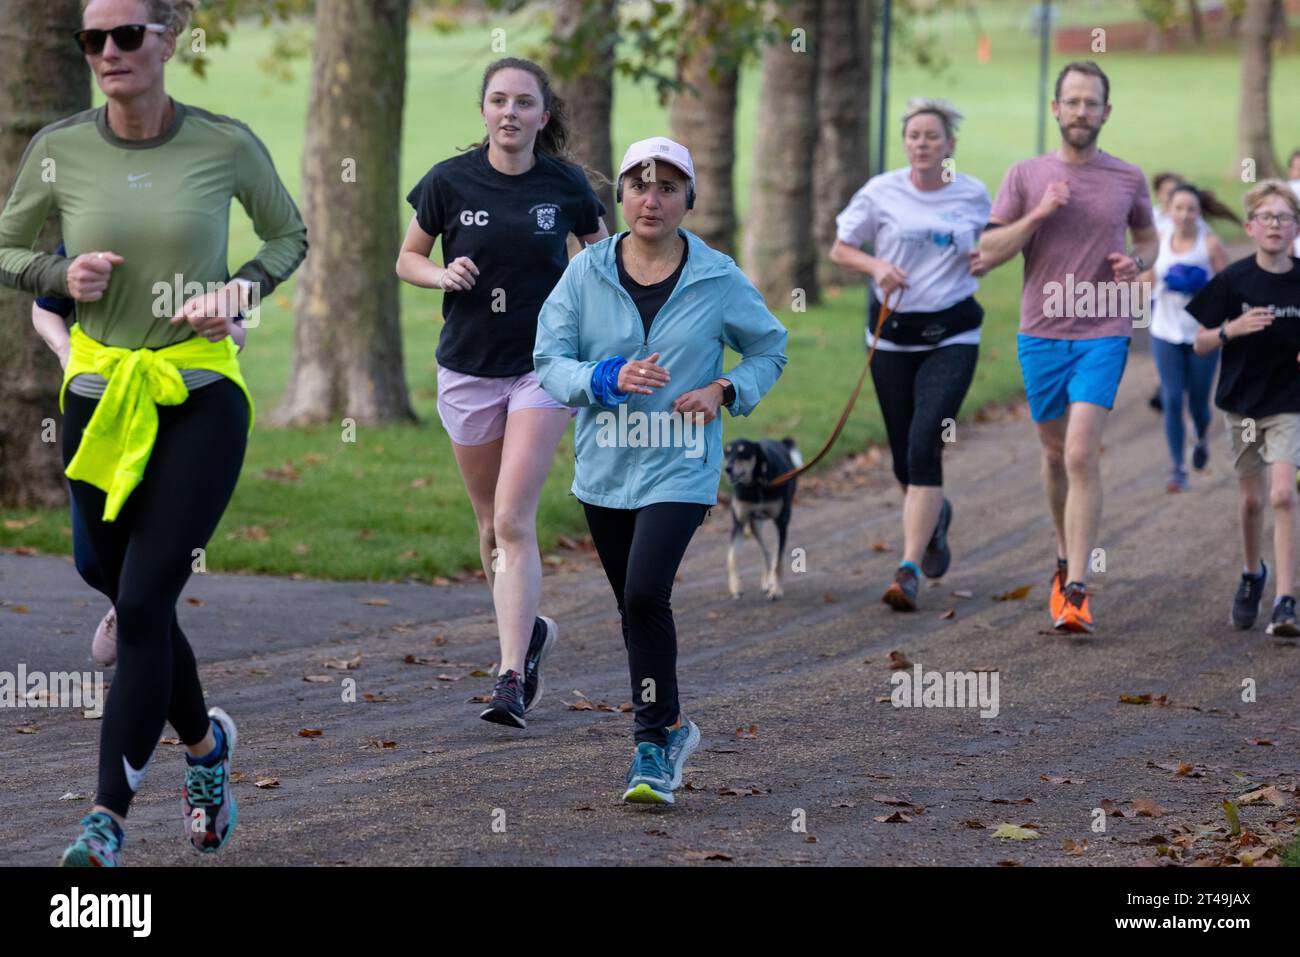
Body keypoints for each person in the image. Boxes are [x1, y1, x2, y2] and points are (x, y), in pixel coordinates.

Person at [0, 0, 307, 865]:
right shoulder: (59, 146)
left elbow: (288, 234)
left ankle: (104, 821)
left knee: (140, 603)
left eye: (126, 34)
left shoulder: (224, 142)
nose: (107, 51)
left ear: (171, 37)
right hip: (98, 393)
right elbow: (6, 246)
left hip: (199, 390)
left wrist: (240, 290)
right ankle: (206, 749)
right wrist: (63, 270)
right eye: (91, 38)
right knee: (104, 571)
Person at [534, 136, 787, 804]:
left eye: (668, 186)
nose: (653, 198)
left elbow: (769, 348)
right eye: (640, 185)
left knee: (647, 593)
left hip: (681, 462)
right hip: (607, 467)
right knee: (633, 607)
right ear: (621, 195)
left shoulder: (716, 276)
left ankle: (650, 745)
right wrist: (604, 375)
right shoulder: (585, 274)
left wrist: (725, 391)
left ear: (688, 200)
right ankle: (672, 720)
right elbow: (549, 361)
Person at [397, 57, 609, 729]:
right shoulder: (448, 181)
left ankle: (509, 676)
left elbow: (604, 259)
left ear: (543, 116)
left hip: (542, 368)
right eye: (498, 100)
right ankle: (528, 635)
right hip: (466, 367)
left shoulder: (567, 185)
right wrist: (440, 276)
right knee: (488, 526)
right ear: (484, 112)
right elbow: (407, 258)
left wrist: (588, 313)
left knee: (515, 520)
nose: (511, 112)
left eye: (524, 102)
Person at [975, 60, 1157, 634]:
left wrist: (1140, 263)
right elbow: (989, 251)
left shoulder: (1128, 177)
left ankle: (1077, 587)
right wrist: (1040, 212)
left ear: (1107, 111)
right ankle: (1062, 557)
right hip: (1041, 333)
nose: (1082, 111)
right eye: (1072, 101)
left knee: (1080, 454)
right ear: (1056, 109)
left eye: (1092, 102)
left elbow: (1149, 236)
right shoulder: (1026, 175)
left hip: (1104, 329)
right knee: (1054, 457)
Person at [31, 244, 249, 666]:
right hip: (101, 411)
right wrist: (65, 351)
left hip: (183, 418)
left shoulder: (197, 240)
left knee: (150, 576)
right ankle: (129, 606)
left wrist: (221, 325)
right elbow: (44, 309)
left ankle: (140, 635)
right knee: (91, 561)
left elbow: (238, 333)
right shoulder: (86, 238)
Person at [829, 97, 991, 611]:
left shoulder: (973, 194)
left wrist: (985, 258)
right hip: (892, 337)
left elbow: (994, 247)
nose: (922, 144)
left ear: (950, 144)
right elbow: (840, 247)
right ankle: (935, 516)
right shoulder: (881, 192)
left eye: (932, 136)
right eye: (914, 135)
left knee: (926, 441)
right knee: (904, 456)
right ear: (906, 143)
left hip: (953, 335)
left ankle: (908, 568)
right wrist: (875, 268)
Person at [1187, 181, 1300, 637]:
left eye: (1285, 217)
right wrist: (1232, 329)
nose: (1276, 225)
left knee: (1282, 495)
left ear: (1296, 228)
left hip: (1290, 402)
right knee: (1252, 500)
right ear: (1251, 227)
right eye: (1267, 217)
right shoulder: (1233, 280)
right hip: (1244, 404)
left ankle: (1286, 601)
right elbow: (1198, 343)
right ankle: (1253, 573)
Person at [1148, 184, 1233, 492]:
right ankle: (1177, 468)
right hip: (1165, 331)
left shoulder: (1210, 245)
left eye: (1191, 209)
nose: (1184, 215)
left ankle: (1200, 437)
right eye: (1179, 209)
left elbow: (1229, 290)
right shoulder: (1158, 241)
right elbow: (1144, 282)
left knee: (1198, 401)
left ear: (1200, 213)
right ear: (1169, 211)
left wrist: (1201, 289)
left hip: (1202, 334)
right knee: (1171, 399)